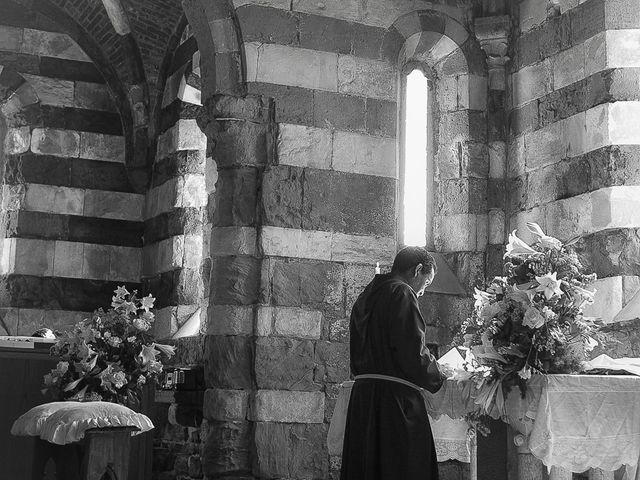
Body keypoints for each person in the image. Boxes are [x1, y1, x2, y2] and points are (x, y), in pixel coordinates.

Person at [340, 246, 447, 480]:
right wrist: (438, 374)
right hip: (394, 403)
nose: (422, 292)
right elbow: (411, 352)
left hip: (364, 399)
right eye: (426, 283)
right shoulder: (402, 293)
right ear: (417, 270)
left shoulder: (366, 295)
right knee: (402, 468)